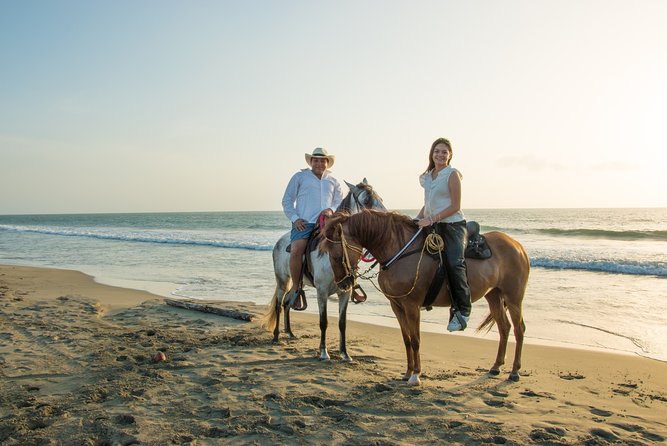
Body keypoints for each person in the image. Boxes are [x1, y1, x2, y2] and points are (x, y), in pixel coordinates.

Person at [416, 138, 472, 331]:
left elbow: (455, 206)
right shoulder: (427, 176)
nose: (440, 155)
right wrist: (416, 219)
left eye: (444, 152)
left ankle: (462, 310)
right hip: (432, 224)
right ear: (432, 154)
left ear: (450, 155)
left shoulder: (452, 175)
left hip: (452, 225)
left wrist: (431, 220)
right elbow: (428, 203)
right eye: (437, 151)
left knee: (454, 262)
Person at [281, 147, 343, 311]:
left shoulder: (333, 181)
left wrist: (331, 210)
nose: (319, 163)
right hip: (305, 223)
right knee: (296, 250)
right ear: (311, 162)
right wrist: (295, 219)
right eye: (316, 160)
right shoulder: (300, 177)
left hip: (328, 223)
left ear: (327, 162)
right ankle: (296, 287)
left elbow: (338, 202)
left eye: (322, 160)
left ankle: (351, 283)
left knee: (347, 244)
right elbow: (287, 200)